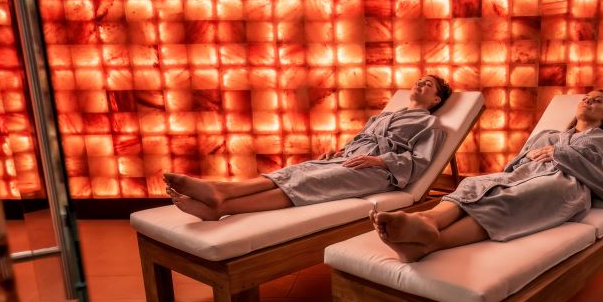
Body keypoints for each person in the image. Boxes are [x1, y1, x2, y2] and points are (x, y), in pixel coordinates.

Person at [372, 89, 603, 262]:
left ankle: (433, 242)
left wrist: (562, 154)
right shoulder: (549, 135)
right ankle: (427, 219)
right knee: (475, 182)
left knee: (516, 196)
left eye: (597, 100)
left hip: (565, 186)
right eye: (585, 98)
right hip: (524, 174)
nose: (588, 101)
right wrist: (523, 160)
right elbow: (512, 166)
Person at [164, 74, 452, 220]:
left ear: (436, 100)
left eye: (427, 84)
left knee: (311, 180)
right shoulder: (385, 116)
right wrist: (338, 152)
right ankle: (222, 190)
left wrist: (380, 162)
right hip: (350, 159)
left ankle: (224, 208)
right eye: (419, 81)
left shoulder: (431, 126)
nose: (420, 84)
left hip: (378, 172)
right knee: (296, 170)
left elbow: (419, 162)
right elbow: (360, 139)